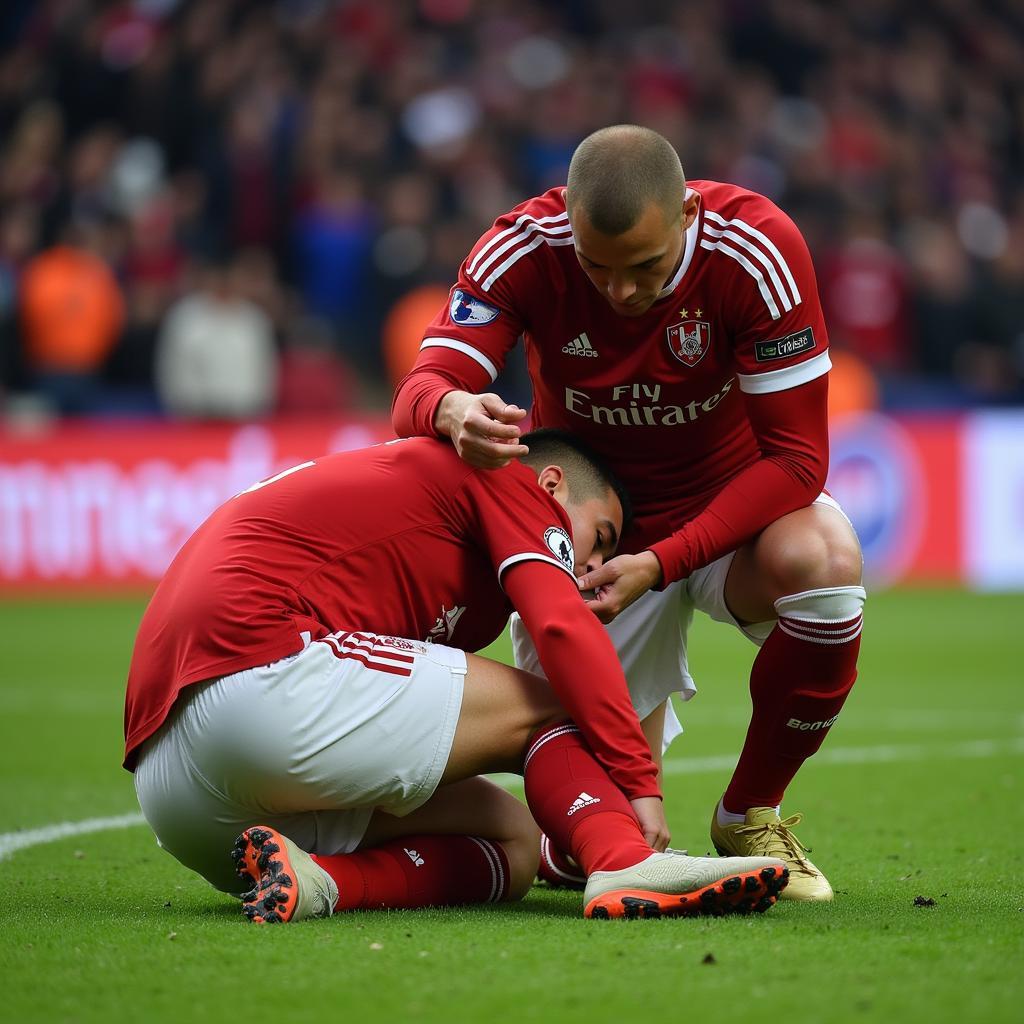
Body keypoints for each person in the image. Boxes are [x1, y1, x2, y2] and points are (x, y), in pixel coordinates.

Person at [392, 124, 866, 901]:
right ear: (568, 224)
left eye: (644, 267)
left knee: (826, 563)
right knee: (587, 849)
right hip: (593, 540)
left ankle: (748, 809)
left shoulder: (758, 250)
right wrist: (448, 410)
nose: (620, 292)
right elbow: (421, 384)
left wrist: (665, 560)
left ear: (686, 213)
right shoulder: (523, 246)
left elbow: (799, 462)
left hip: (727, 517)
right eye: (596, 266)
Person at [123, 429, 787, 924]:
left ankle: (321, 880)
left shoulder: (436, 548)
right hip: (258, 677)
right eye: (602, 536)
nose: (593, 566)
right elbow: (561, 629)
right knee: (557, 706)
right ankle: (623, 861)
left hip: (180, 801)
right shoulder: (504, 475)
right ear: (553, 486)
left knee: (512, 844)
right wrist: (639, 787)